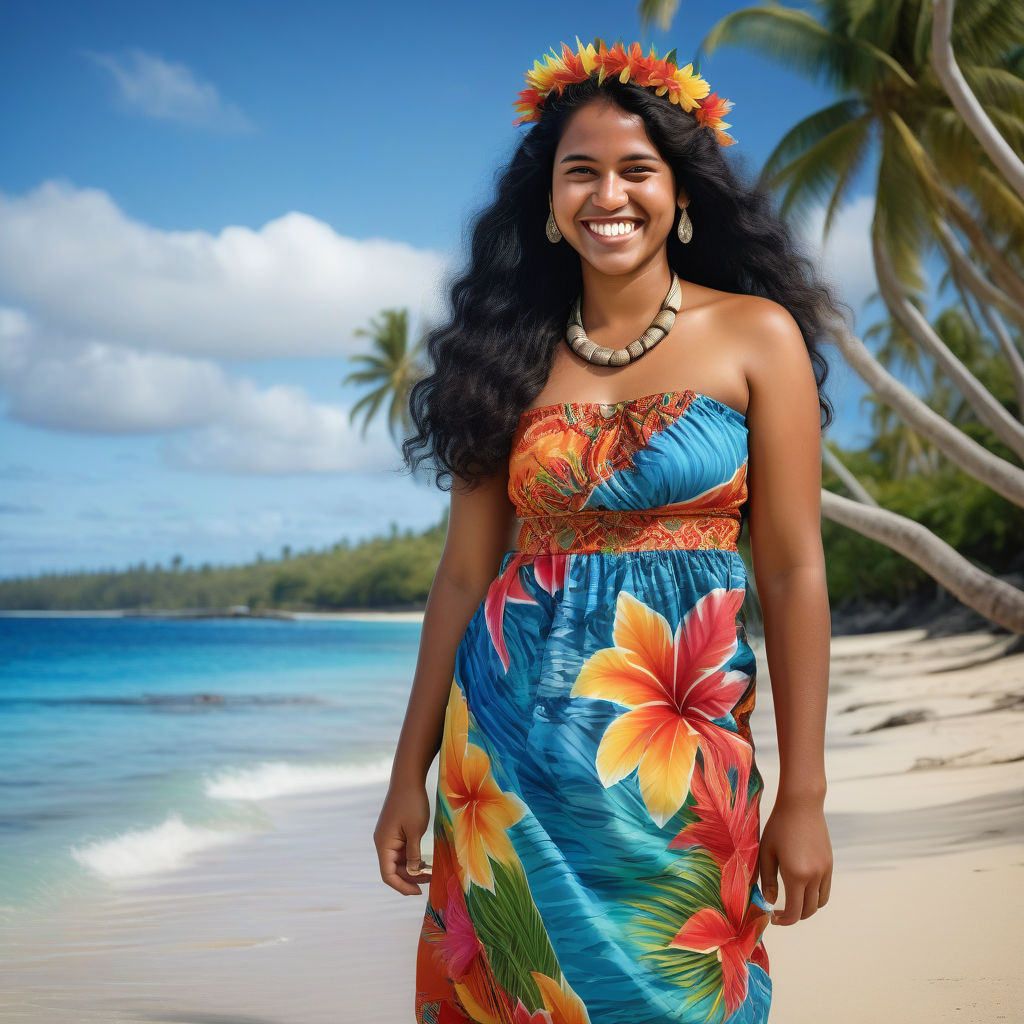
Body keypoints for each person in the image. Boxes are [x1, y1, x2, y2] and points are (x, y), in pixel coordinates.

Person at [374, 38, 837, 1024]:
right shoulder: (500, 358)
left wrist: (803, 792)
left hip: (675, 748)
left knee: (685, 993)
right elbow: (460, 577)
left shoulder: (757, 336)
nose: (607, 194)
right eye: (578, 172)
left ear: (681, 190)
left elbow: (794, 570)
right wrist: (405, 776)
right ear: (546, 204)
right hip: (502, 750)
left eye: (636, 169)